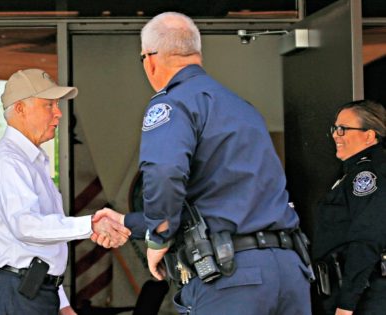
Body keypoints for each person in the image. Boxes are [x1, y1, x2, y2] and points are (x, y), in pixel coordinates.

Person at [93, 12, 312, 315]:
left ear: (150, 59)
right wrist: (128, 222)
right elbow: (219, 203)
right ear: (196, 54)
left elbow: (165, 172)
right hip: (288, 272)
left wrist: (159, 238)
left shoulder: (173, 102)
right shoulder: (242, 107)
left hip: (232, 276)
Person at [0, 68, 131, 315]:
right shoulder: (9, 162)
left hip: (31, 292)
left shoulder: (31, 161)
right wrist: (90, 225)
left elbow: (41, 250)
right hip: (18, 296)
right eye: (48, 105)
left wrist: (63, 303)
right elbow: (26, 227)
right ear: (20, 109)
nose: (58, 113)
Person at [313, 100, 386, 315]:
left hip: (366, 298)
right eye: (335, 128)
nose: (336, 135)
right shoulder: (350, 174)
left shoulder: (367, 175)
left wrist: (346, 304)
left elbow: (367, 238)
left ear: (369, 135)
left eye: (343, 129)